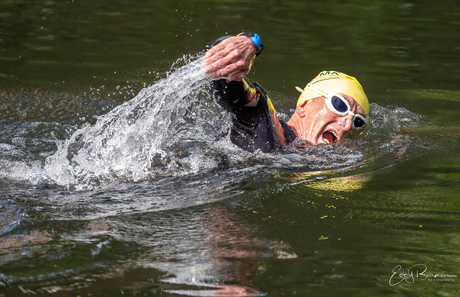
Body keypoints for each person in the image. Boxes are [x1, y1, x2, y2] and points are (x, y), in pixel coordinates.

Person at [202, 33, 369, 153]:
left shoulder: (298, 153)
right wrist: (246, 43)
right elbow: (217, 69)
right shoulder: (263, 119)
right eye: (339, 105)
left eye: (358, 122)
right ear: (304, 105)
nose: (347, 125)